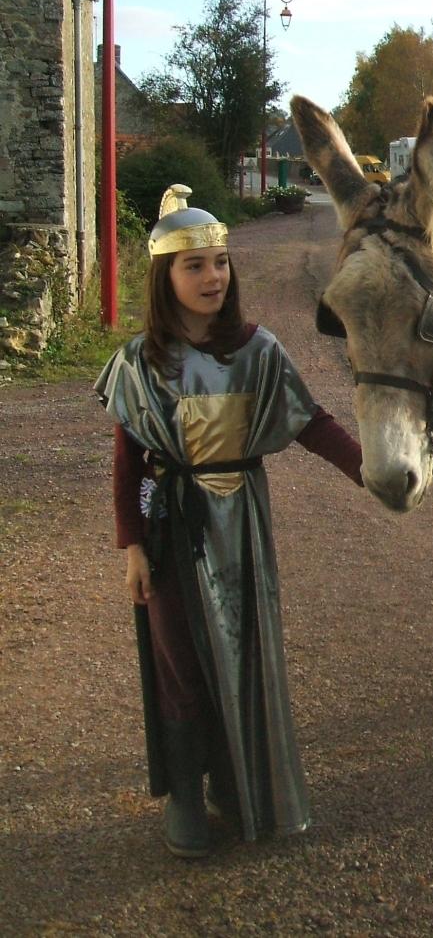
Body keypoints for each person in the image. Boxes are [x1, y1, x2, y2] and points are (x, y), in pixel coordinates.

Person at [96, 184, 364, 857]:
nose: (213, 276)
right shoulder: (140, 363)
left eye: (220, 262)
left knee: (244, 656)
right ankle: (188, 795)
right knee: (179, 662)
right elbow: (129, 459)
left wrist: (373, 473)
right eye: (196, 265)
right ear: (165, 276)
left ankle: (242, 787)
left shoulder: (258, 350)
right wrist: (131, 546)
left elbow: (311, 423)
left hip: (241, 525)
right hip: (170, 528)